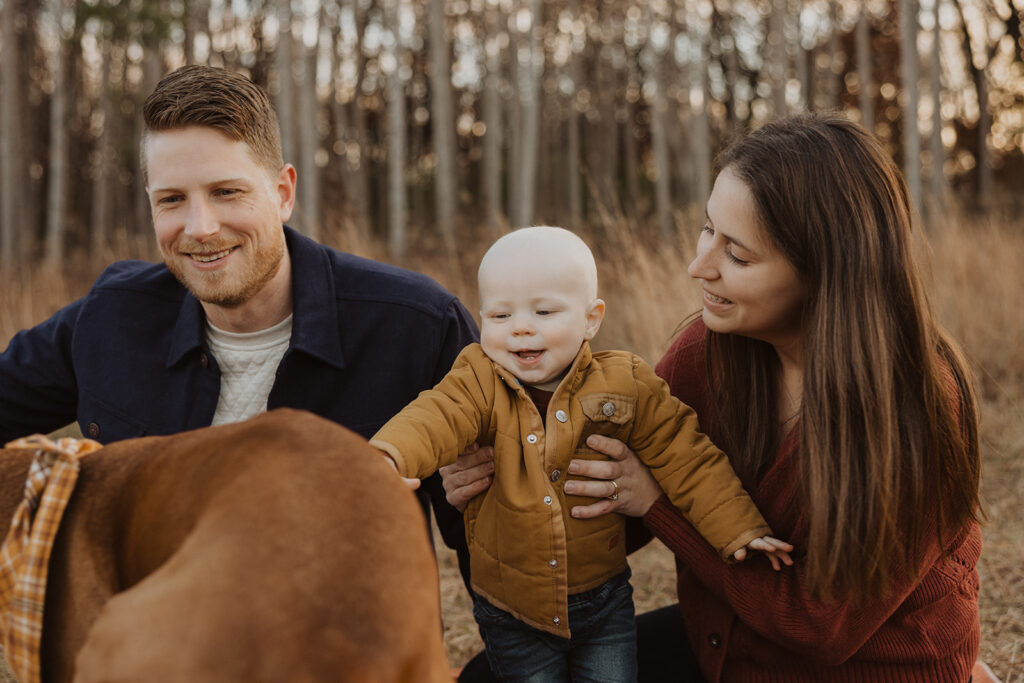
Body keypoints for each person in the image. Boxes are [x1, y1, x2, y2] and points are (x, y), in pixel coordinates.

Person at [448, 114, 983, 682]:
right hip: (726, 644)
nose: (698, 267)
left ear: (827, 272)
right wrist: (508, 482)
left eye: (739, 255)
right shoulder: (708, 351)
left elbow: (820, 627)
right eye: (708, 230)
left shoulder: (912, 410)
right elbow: (613, 509)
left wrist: (659, 504)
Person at [0, 65, 477, 584]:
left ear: (283, 193)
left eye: (227, 192)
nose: (200, 228)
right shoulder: (110, 316)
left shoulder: (416, 327)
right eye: (172, 199)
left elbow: (507, 547)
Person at [371, 226, 792, 682]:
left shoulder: (624, 383)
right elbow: (435, 416)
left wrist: (739, 529)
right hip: (515, 610)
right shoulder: (477, 379)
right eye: (500, 314)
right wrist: (388, 457)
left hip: (604, 601)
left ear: (592, 319)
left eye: (544, 311)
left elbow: (688, 458)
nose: (522, 326)